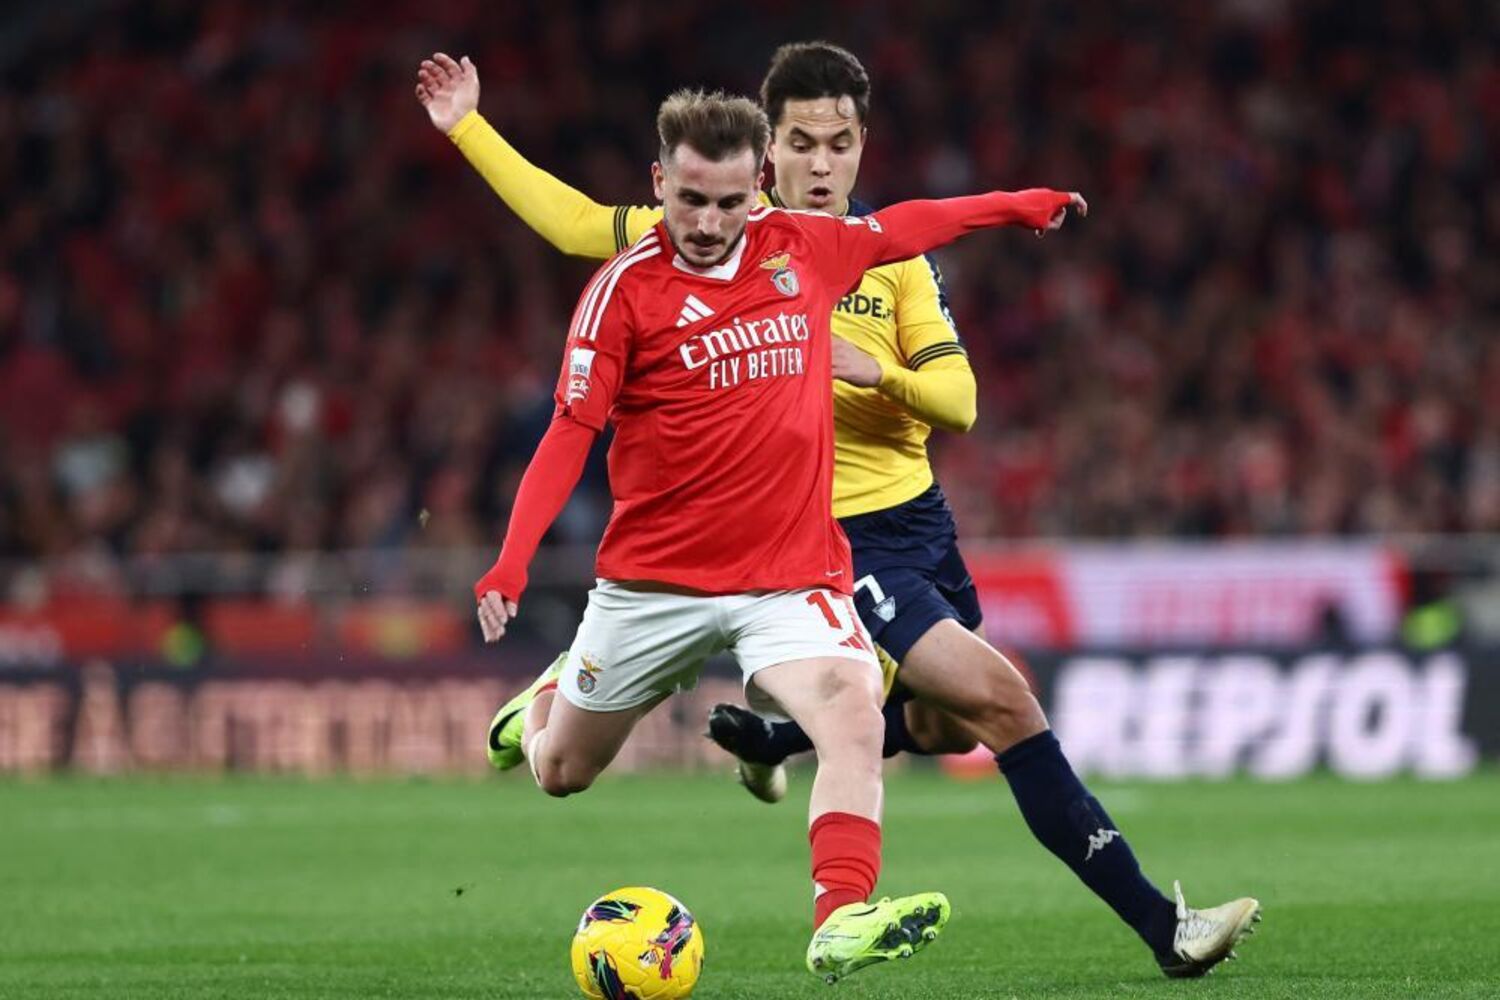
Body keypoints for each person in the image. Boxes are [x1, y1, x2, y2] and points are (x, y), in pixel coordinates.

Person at [417, 44, 1260, 978]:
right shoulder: (701, 222)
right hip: (824, 542)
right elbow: (574, 224)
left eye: (841, 143)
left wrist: (894, 350)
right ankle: (1162, 928)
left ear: (861, 146)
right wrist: (469, 128)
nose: (822, 164)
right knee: (996, 704)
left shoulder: (864, 256)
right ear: (767, 153)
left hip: (917, 521)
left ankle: (775, 748)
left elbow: (960, 398)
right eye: (803, 143)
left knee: (942, 726)